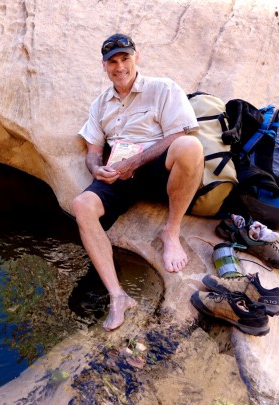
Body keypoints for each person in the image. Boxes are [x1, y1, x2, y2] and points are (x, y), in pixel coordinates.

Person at [72, 33, 204, 331]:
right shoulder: (100, 104)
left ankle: (171, 232)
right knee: (82, 205)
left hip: (157, 166)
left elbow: (179, 134)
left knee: (190, 148)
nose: (120, 67)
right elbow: (93, 152)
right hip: (119, 172)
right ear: (104, 66)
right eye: (112, 62)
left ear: (136, 58)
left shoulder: (163, 89)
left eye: (125, 58)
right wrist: (97, 169)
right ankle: (118, 296)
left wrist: (136, 162)